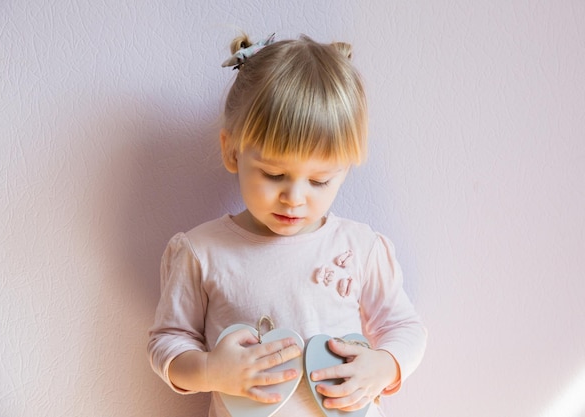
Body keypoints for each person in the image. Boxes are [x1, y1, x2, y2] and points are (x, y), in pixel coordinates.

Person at [147, 32, 427, 417]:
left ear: (344, 169)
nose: (294, 198)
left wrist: (384, 366)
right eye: (274, 174)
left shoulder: (360, 247)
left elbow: (404, 327)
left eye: (319, 181)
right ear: (232, 150)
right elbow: (168, 342)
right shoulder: (202, 252)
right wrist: (211, 370)